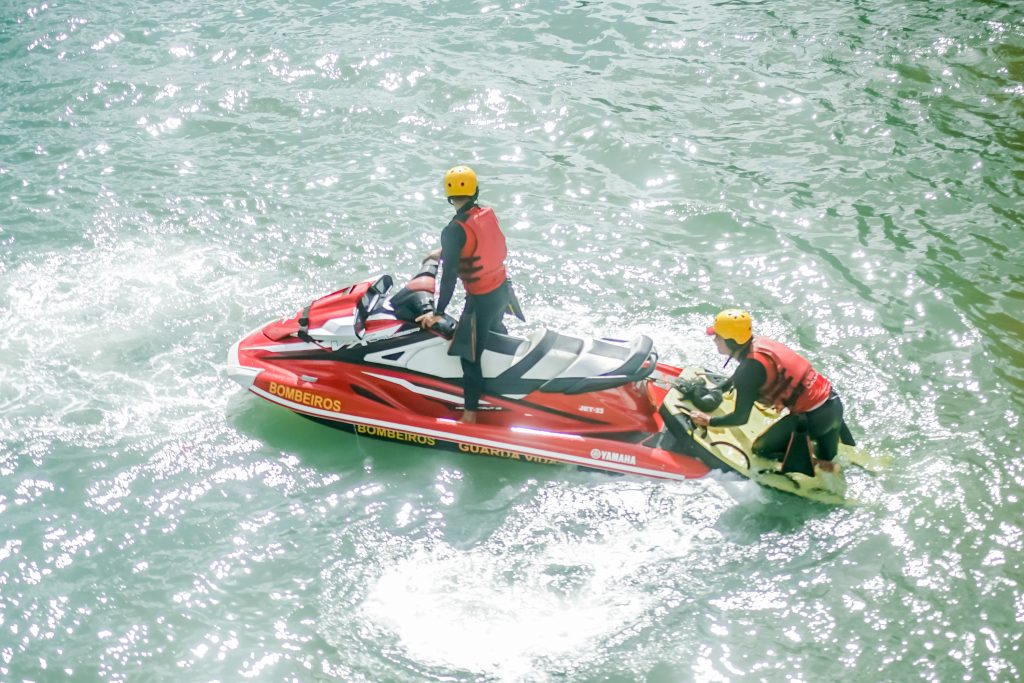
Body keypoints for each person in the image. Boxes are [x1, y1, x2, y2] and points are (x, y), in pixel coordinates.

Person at [688, 309, 854, 475]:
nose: (714, 340)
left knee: (760, 449)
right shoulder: (760, 344)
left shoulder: (748, 370)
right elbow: (746, 373)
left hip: (813, 418)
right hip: (834, 406)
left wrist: (709, 420)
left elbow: (740, 417)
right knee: (829, 454)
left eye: (718, 336)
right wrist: (720, 389)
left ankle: (822, 465)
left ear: (731, 342)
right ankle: (831, 465)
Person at [415, 165, 517, 424]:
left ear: (449, 194)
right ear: (475, 190)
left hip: (481, 299)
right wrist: (442, 251)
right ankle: (508, 389)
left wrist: (437, 313)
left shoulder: (453, 230)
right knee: (495, 335)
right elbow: (478, 242)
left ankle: (470, 415)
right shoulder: (486, 214)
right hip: (502, 291)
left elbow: (449, 277)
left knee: (468, 355)